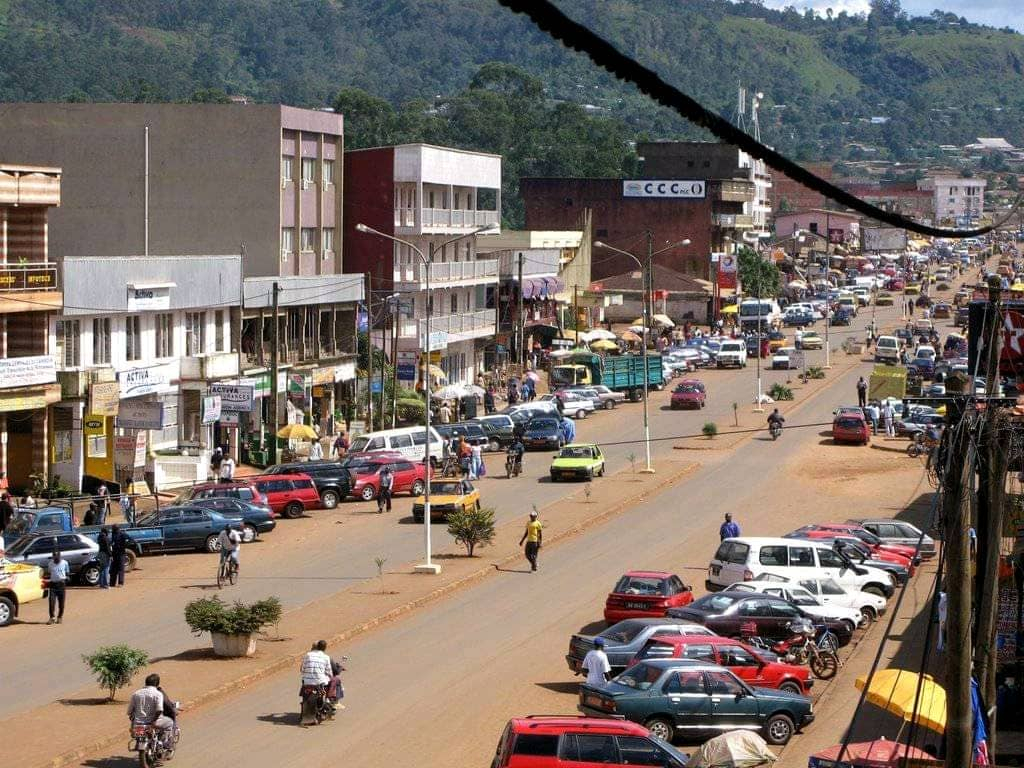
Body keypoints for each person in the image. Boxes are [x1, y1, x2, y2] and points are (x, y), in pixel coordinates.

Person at [128, 674, 174, 740]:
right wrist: (153, 721)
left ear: (146, 683)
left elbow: (129, 711)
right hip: (152, 723)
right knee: (170, 722)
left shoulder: (136, 693)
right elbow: (159, 710)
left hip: (138, 723)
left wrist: (134, 719)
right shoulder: (158, 694)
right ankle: (164, 742)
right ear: (157, 684)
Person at [45, 549, 69, 624]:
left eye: (57, 556)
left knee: (61, 603)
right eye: (54, 556)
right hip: (53, 585)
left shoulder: (65, 563)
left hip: (61, 585)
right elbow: (49, 573)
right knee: (51, 602)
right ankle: (52, 617)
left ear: (60, 556)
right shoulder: (50, 564)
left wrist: (67, 578)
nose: (56, 558)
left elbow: (67, 572)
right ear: (52, 557)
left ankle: (60, 617)